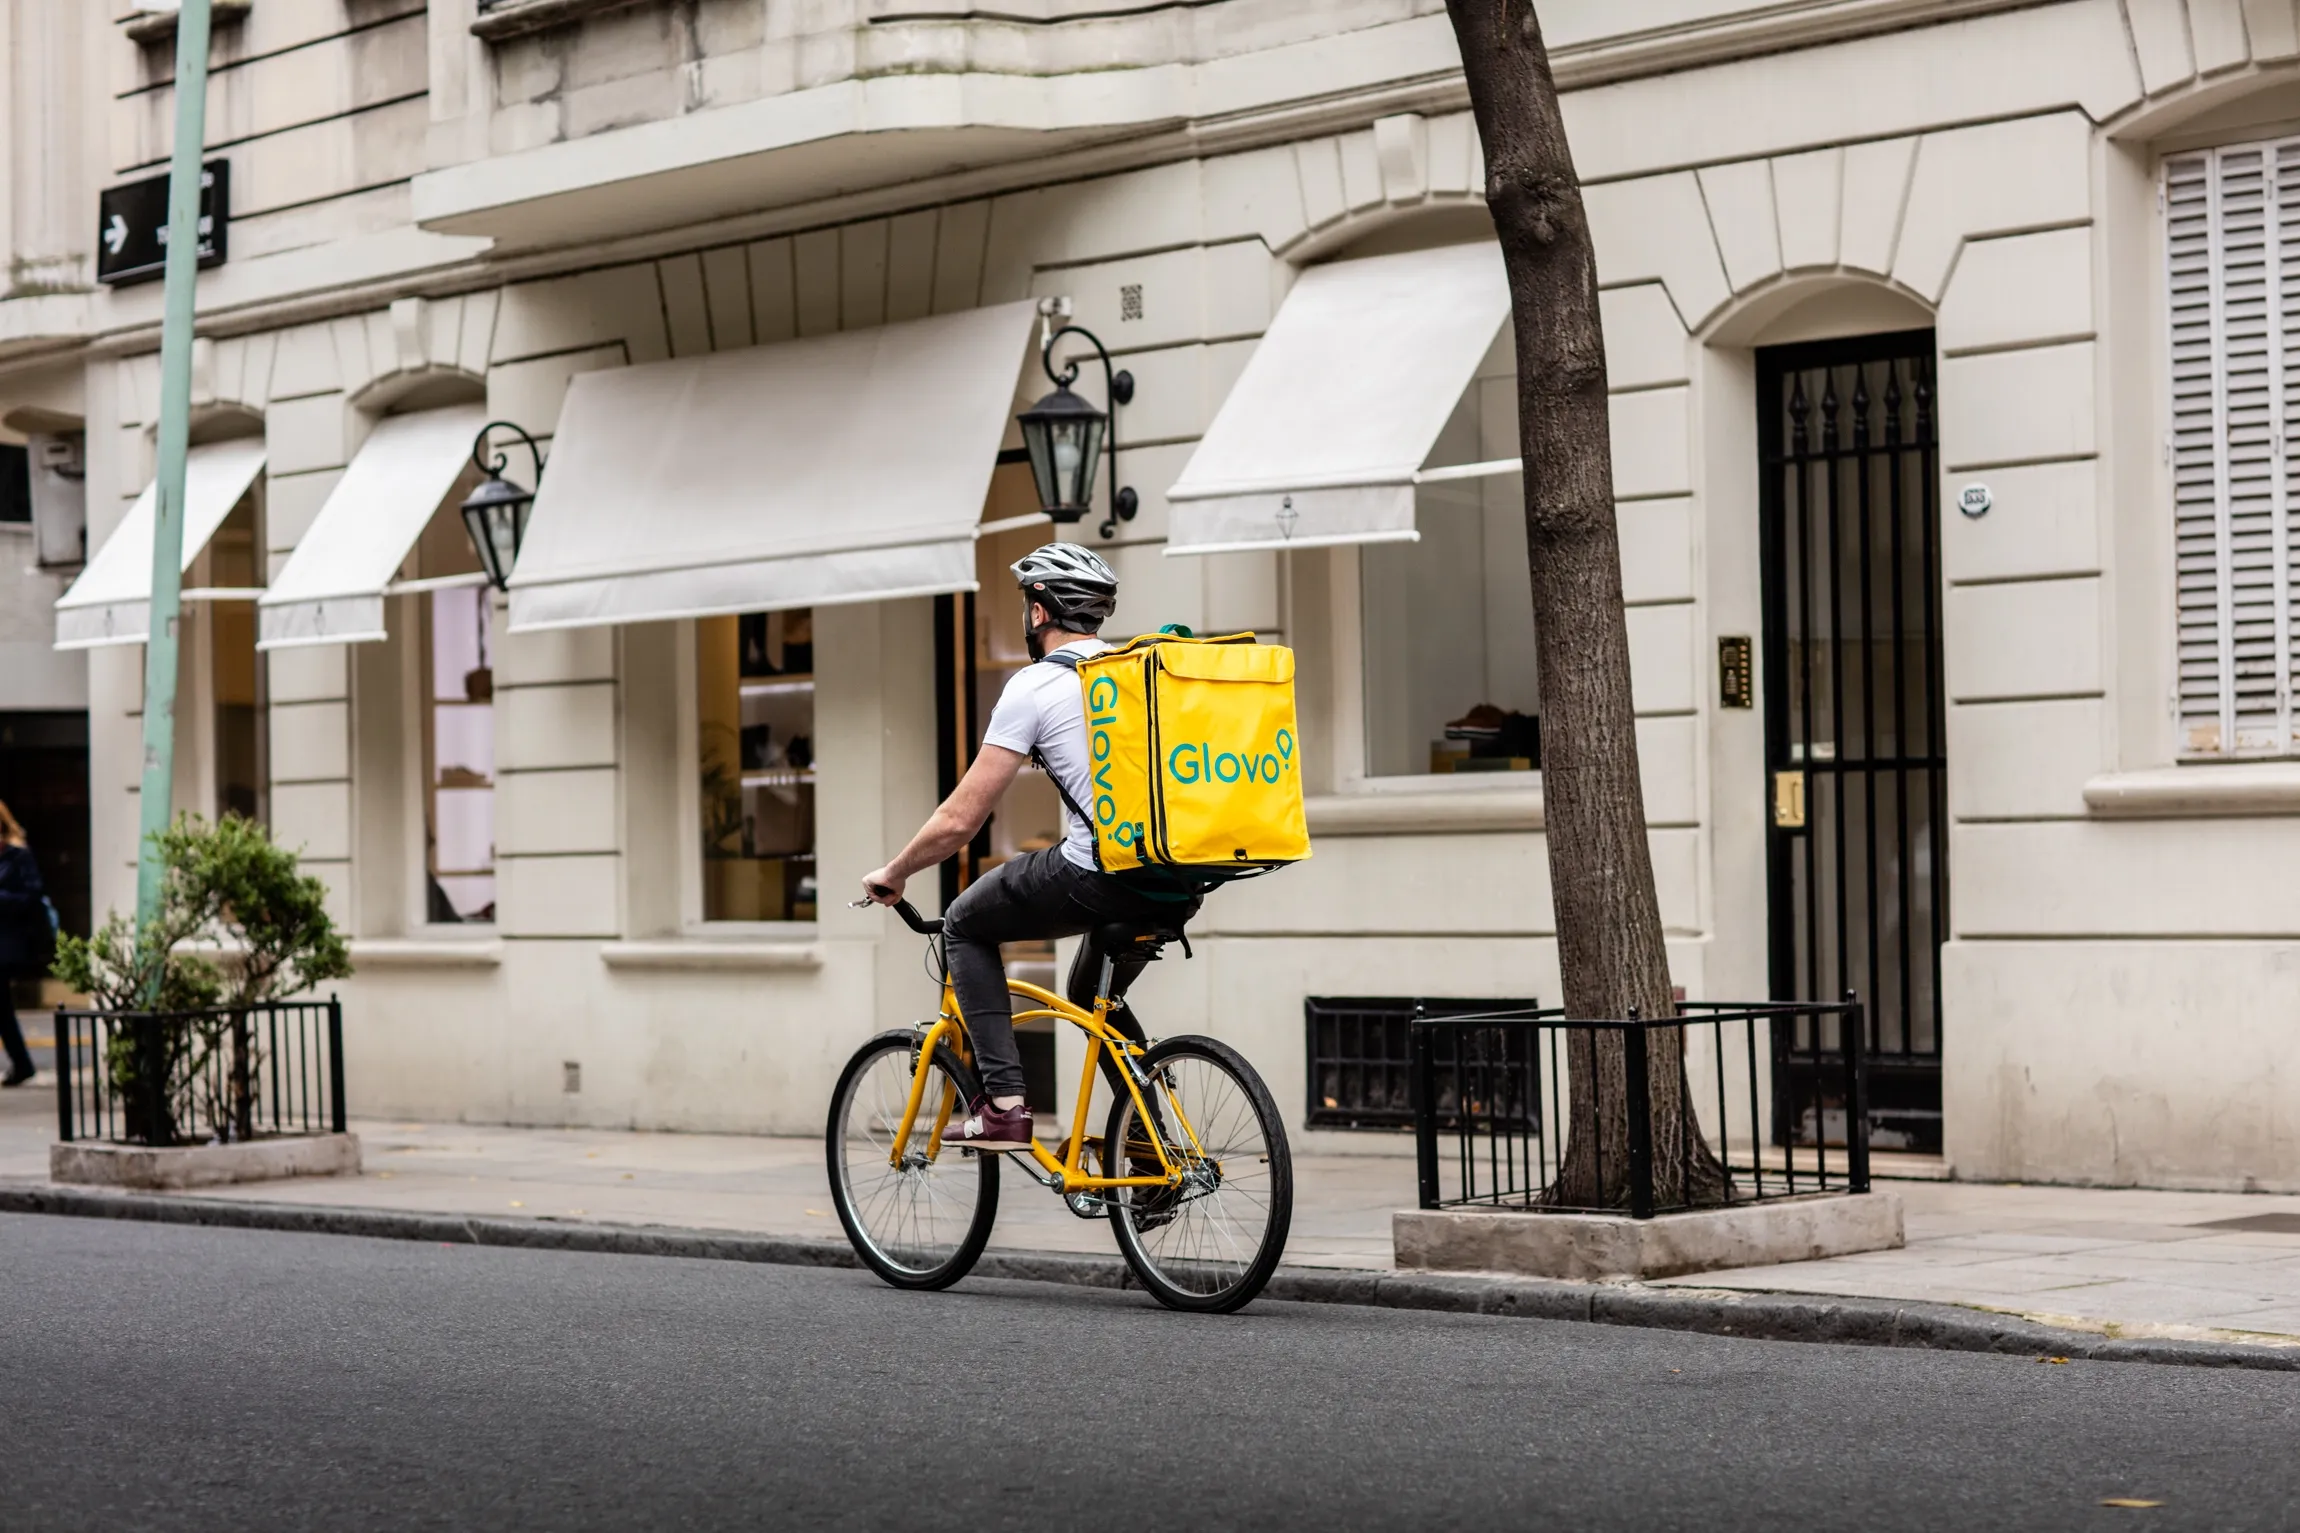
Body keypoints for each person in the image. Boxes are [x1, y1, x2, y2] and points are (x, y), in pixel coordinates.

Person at [862, 543, 1198, 1151]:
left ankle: (1005, 1108)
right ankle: (1153, 1152)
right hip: (1179, 879)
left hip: (1098, 874)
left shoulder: (1036, 686)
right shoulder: (1139, 674)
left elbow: (961, 820)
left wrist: (897, 869)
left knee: (964, 924)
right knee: (1094, 1000)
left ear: (1039, 612)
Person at [0, 798, 53, 1087]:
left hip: (8, 942)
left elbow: (32, 896)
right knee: (3, 1007)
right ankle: (22, 1063)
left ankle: (22, 1063)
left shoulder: (18, 856)